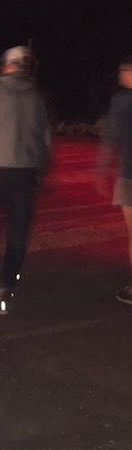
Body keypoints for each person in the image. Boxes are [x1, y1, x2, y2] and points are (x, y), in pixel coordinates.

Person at [0, 45, 51, 315]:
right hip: (25, 173)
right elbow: (44, 139)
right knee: (18, 233)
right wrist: (40, 171)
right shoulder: (36, 96)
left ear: (7, 64)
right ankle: (5, 286)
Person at [97, 54, 132, 304]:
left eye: (124, 69)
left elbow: (110, 138)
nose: (120, 74)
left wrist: (102, 170)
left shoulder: (122, 101)